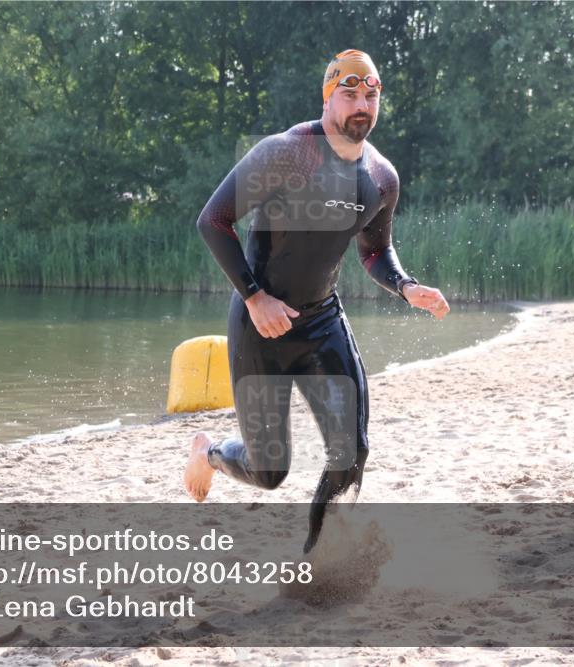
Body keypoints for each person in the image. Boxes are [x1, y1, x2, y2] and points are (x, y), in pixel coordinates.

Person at [184, 49, 450, 552]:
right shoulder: (287, 152)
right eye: (349, 94)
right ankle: (211, 452)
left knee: (352, 453)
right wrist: (255, 296)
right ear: (328, 98)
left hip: (322, 322)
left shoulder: (381, 178)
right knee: (269, 472)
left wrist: (405, 285)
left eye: (370, 95)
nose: (361, 105)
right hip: (260, 325)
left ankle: (319, 561)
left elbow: (376, 251)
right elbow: (213, 221)